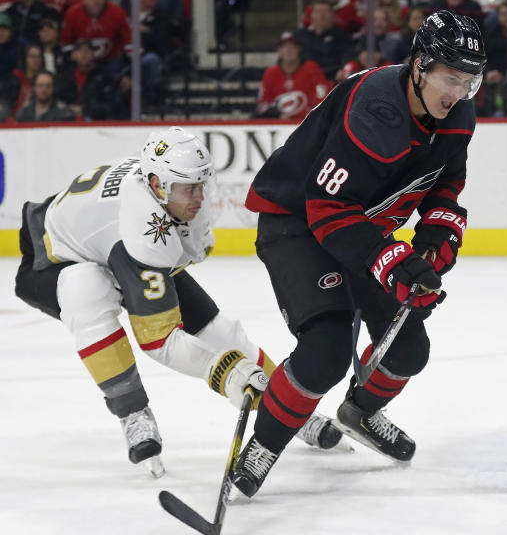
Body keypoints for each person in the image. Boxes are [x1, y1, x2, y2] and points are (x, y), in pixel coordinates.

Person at [234, 10, 486, 497]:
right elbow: (327, 209)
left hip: (362, 228)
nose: (457, 92)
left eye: (469, 81)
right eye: (450, 77)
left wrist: (435, 237)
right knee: (325, 353)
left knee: (408, 348)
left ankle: (360, 412)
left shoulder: (457, 114)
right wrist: (392, 262)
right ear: (419, 65)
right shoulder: (375, 112)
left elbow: (447, 181)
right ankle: (263, 444)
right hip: (298, 223)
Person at [13, 127, 343, 475]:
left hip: (115, 245)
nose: (199, 197)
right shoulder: (139, 224)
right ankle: (133, 413)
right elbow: (157, 340)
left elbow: (173, 270)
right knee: (86, 289)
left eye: (202, 185)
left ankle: (287, 408)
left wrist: (231, 356)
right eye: (190, 188)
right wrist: (227, 372)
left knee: (222, 333)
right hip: (52, 260)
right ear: (157, 185)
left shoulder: (169, 197)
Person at [255, 32, 330, 121]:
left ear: (298, 49)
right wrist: (278, 114)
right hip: (280, 125)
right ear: (279, 50)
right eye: (284, 46)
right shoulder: (271, 72)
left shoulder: (311, 68)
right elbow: (262, 105)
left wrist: (298, 114)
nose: (288, 50)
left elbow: (322, 99)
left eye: (292, 46)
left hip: (308, 123)